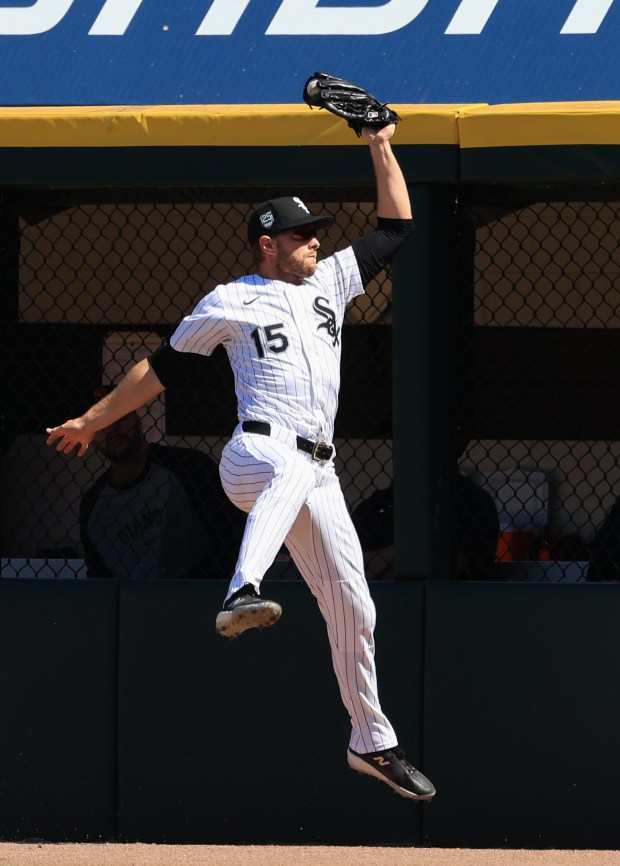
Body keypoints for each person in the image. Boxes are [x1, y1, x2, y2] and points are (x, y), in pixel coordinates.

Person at [46, 123, 436, 802]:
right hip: (252, 453)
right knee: (286, 465)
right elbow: (158, 369)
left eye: (318, 231)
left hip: (320, 471)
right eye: (302, 233)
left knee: (354, 607)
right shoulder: (230, 298)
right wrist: (93, 419)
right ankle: (242, 589)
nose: (317, 239)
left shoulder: (332, 284)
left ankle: (371, 742)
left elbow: (397, 227)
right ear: (267, 243)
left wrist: (378, 142)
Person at [80, 386, 244, 580]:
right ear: (90, 437)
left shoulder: (189, 468)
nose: (112, 428)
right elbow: (99, 574)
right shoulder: (93, 505)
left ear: (138, 422)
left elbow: (230, 537)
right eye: (100, 423)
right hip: (132, 603)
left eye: (121, 417)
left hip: (198, 595)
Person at [353, 473, 500, 580]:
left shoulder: (471, 500)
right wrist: (405, 550)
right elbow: (352, 568)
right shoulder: (378, 503)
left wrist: (386, 561)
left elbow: (449, 564)